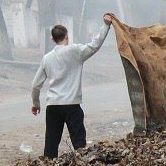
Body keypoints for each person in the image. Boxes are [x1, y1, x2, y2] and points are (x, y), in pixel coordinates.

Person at [31, 15, 112, 158]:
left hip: (53, 106)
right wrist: (106, 26)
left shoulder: (47, 58)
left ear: (52, 40)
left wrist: (36, 104)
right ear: (67, 37)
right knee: (79, 142)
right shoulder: (76, 51)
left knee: (51, 143)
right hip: (72, 105)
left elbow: (36, 85)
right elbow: (95, 45)